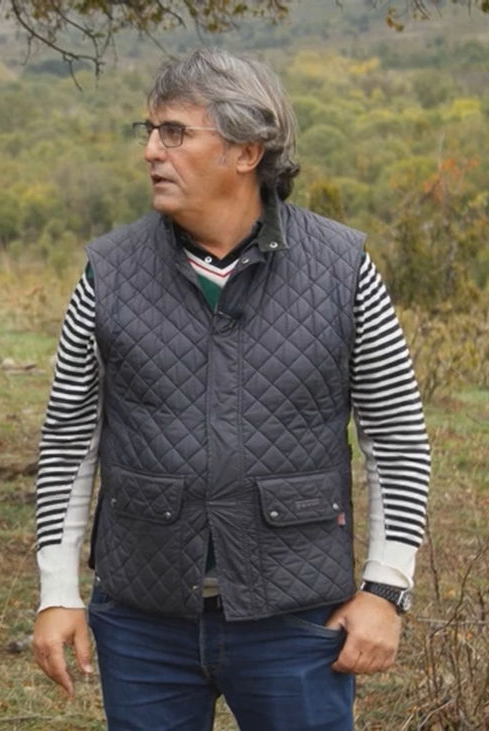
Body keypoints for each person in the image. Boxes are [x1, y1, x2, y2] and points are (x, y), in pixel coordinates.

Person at [30, 48, 430, 730]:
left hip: (298, 622)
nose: (152, 150)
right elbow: (69, 440)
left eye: (175, 133)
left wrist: (386, 589)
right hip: (142, 623)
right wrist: (58, 591)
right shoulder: (108, 273)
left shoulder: (343, 269)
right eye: (149, 131)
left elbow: (395, 439)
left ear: (247, 151)